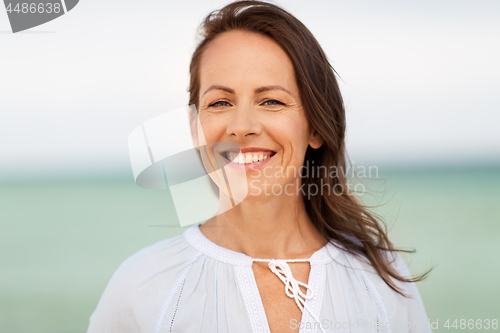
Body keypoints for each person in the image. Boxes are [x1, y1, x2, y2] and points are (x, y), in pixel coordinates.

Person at [88, 1, 432, 332]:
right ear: (195, 127)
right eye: (221, 102)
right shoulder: (141, 288)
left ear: (315, 126)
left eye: (271, 101)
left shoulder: (380, 277)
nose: (242, 126)